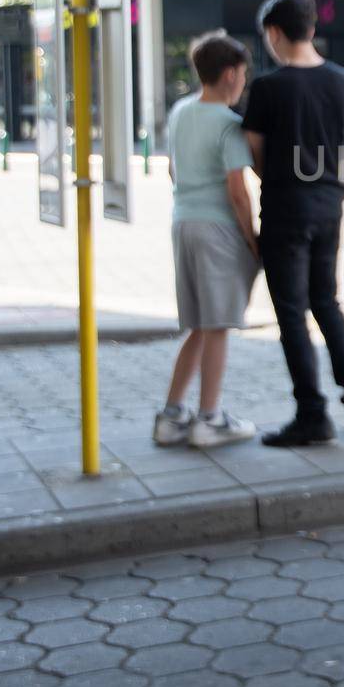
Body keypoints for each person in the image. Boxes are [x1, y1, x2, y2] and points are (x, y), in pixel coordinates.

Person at [242, 0, 344, 447]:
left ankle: (312, 415)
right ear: (312, 29)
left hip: (284, 209)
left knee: (292, 314)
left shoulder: (266, 87)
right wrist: (337, 194)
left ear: (275, 33)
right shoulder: (343, 81)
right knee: (327, 302)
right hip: (327, 208)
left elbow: (254, 156)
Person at [154, 30, 261, 450]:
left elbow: (172, 171)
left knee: (198, 325)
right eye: (244, 74)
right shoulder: (230, 125)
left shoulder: (181, 111)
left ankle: (172, 414)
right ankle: (210, 418)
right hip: (217, 228)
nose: (244, 81)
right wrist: (251, 238)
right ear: (231, 74)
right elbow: (238, 190)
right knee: (218, 326)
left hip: (182, 222)